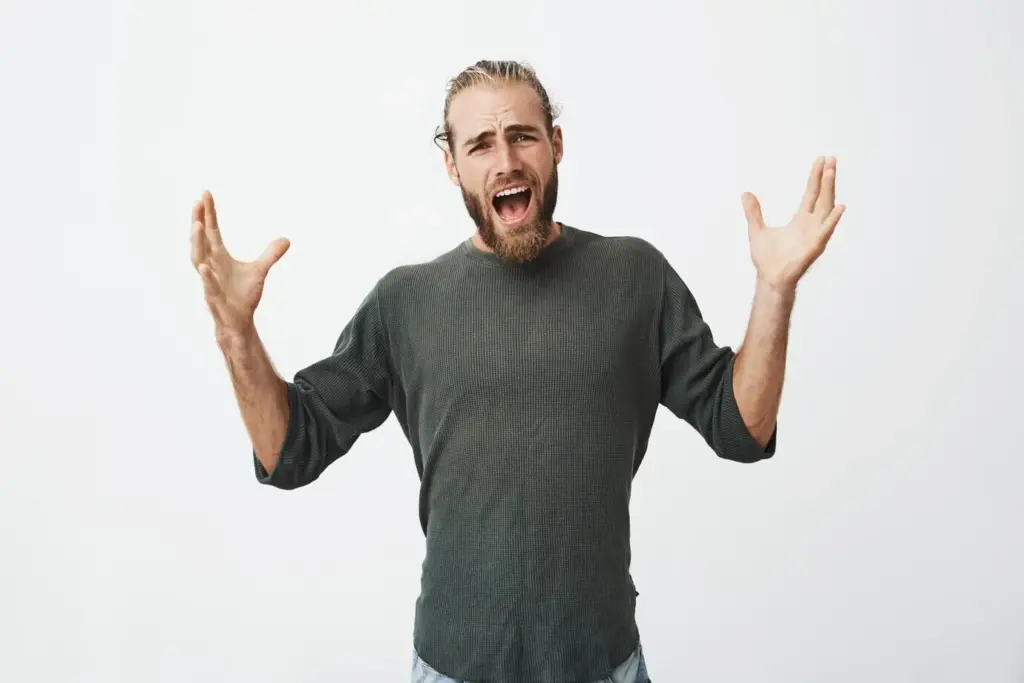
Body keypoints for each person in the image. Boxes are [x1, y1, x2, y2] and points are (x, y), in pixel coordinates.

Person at [189, 60, 845, 683]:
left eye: (523, 136)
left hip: (602, 662)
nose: (505, 160)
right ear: (452, 165)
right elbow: (291, 450)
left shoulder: (634, 276)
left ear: (555, 145)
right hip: (453, 664)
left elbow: (740, 429)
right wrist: (236, 332)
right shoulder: (406, 302)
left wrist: (775, 290)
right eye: (480, 145)